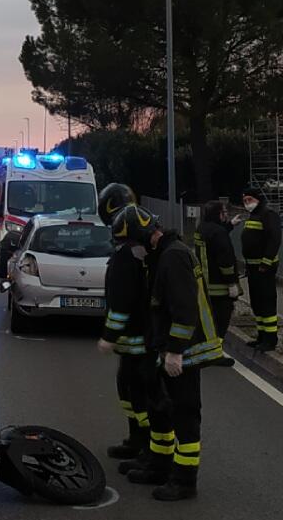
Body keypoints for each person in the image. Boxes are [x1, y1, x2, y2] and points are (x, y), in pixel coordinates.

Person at [114, 204, 222, 501]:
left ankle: (185, 480)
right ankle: (159, 464)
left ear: (147, 236)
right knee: (161, 408)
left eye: (135, 242)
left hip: (185, 352)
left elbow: (184, 310)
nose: (135, 250)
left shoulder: (173, 256)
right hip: (169, 349)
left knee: (185, 415)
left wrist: (175, 351)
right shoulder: (164, 254)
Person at [95, 184, 152, 461]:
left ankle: (146, 444)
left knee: (139, 394)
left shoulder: (125, 256)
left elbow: (121, 300)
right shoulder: (141, 251)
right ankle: (137, 439)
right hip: (140, 340)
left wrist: (109, 334)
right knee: (130, 391)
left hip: (137, 341)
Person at [194, 201, 240, 362]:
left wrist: (229, 226)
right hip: (219, 286)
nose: (226, 215)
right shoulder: (218, 232)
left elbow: (214, 239)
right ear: (217, 214)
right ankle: (214, 354)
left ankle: (203, 350)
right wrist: (232, 283)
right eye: (224, 212)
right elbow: (225, 261)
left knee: (207, 321)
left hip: (204, 285)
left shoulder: (201, 229)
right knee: (221, 321)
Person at [240, 186, 282, 352]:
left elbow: (274, 240)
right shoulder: (254, 215)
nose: (246, 203)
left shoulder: (268, 215)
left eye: (249, 200)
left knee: (266, 303)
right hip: (253, 267)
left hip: (265, 268)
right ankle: (261, 336)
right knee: (256, 303)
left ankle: (270, 339)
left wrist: (266, 263)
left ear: (257, 199)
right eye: (244, 201)